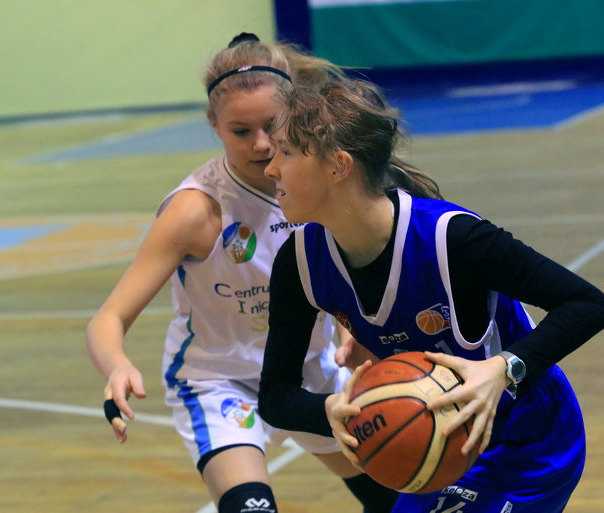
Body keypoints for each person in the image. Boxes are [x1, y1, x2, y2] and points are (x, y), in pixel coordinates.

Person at [257, 75, 604, 512]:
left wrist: (503, 369)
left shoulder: (452, 239)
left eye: (286, 153)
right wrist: (330, 409)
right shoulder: (299, 262)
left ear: (338, 166)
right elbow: (274, 394)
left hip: (527, 437)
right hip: (435, 441)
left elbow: (589, 304)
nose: (270, 168)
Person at [86, 34, 399, 513]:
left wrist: (349, 332)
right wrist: (117, 366)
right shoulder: (196, 210)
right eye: (240, 131)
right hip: (220, 380)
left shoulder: (321, 184)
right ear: (213, 124)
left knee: (399, 498)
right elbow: (109, 317)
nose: (261, 144)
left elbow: (340, 277)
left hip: (307, 371)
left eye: (272, 126)